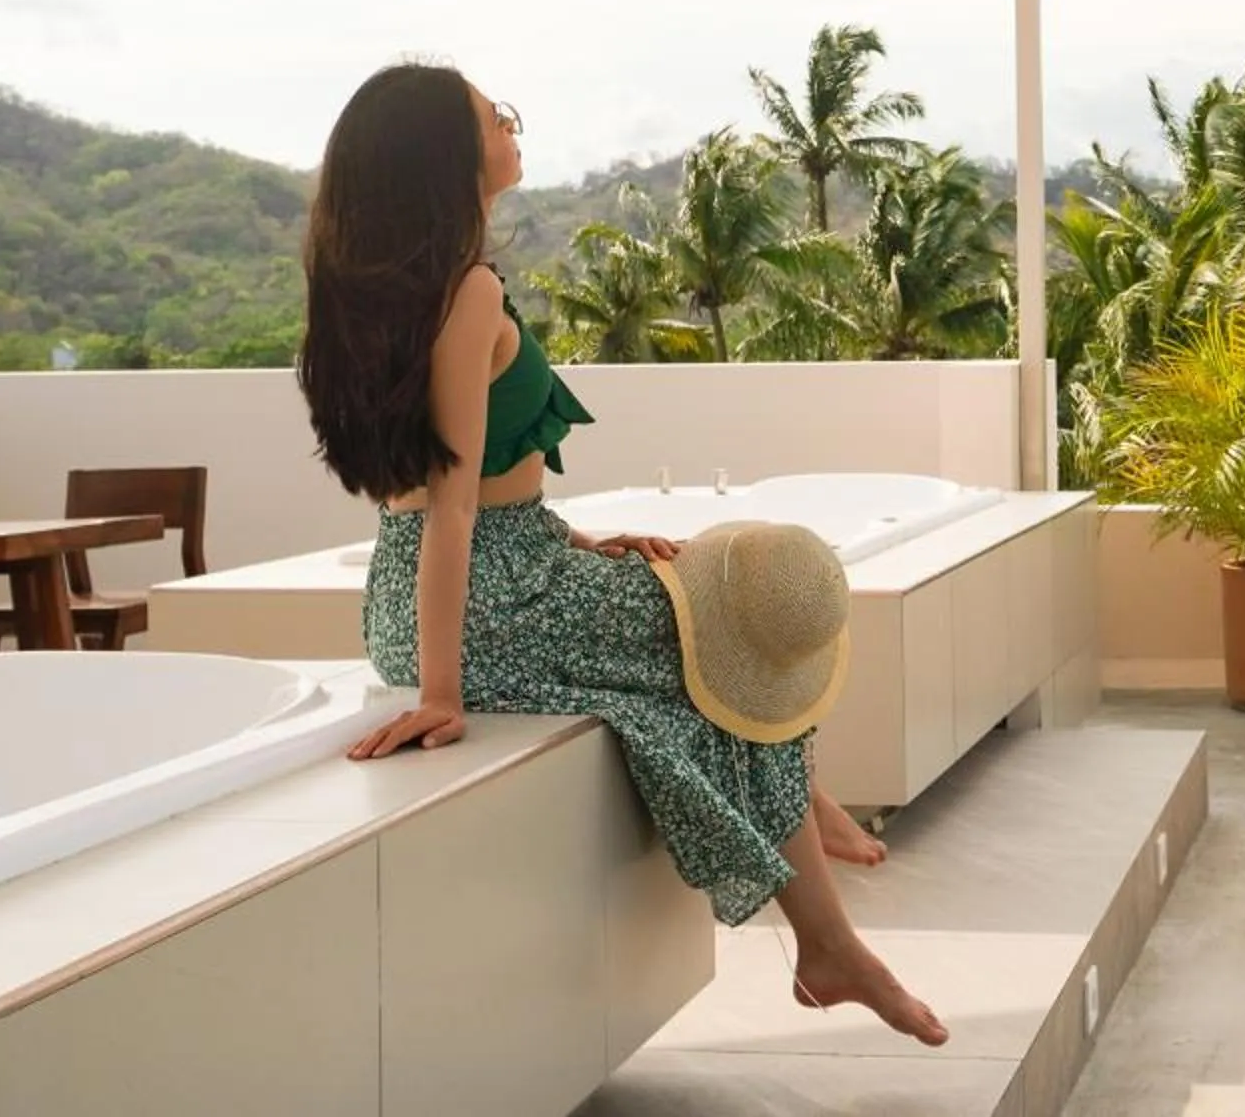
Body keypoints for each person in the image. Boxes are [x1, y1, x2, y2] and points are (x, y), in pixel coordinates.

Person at [297, 62, 939, 1045]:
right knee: (733, 610)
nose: (512, 125)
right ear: (448, 160)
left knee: (679, 590)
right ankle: (826, 925)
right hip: (487, 602)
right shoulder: (466, 294)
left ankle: (813, 836)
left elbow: (444, 502)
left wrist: (579, 541)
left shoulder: (382, 298)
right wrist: (442, 689)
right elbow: (455, 509)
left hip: (434, 587)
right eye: (491, 116)